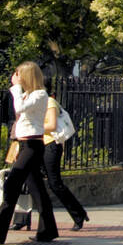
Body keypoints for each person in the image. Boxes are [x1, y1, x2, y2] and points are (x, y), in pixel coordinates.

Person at [0, 62, 58, 244]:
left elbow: (19, 108)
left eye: (18, 74)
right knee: (37, 189)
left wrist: (16, 88)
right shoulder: (27, 94)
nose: (15, 77)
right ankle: (47, 230)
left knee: (12, 185)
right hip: (25, 144)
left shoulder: (40, 95)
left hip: (33, 145)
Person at [39, 91, 89, 230]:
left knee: (54, 183)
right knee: (30, 182)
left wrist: (33, 126)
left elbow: (52, 125)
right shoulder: (34, 102)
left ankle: (78, 213)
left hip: (50, 145)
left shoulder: (49, 102)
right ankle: (22, 219)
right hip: (35, 145)